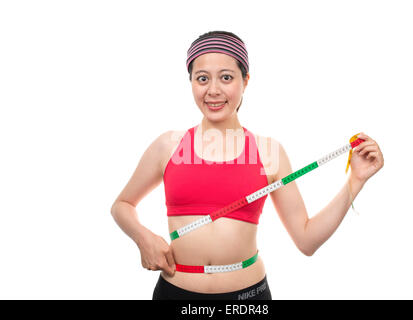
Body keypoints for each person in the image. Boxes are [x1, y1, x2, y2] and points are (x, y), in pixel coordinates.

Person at [110, 30, 384, 300]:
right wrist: (142, 237)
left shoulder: (268, 152)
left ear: (245, 80)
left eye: (226, 77)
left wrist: (355, 181)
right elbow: (122, 205)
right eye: (202, 78)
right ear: (191, 82)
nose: (213, 90)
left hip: (248, 299)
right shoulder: (167, 146)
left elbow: (307, 240)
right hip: (175, 294)